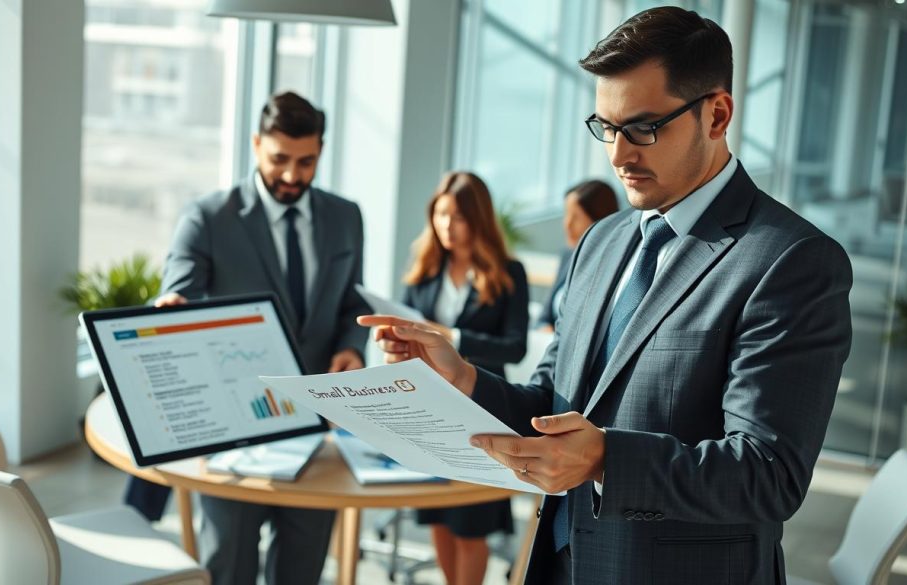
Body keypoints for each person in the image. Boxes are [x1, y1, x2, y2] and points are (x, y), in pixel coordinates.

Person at [361, 6, 852, 585]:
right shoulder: (603, 240)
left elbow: (767, 474)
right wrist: (464, 378)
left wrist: (603, 459)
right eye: (607, 128)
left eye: (644, 127)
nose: (619, 155)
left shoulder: (790, 261)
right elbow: (553, 403)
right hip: (564, 559)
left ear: (716, 115)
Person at [132, 91, 369, 585]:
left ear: (321, 150)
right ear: (257, 144)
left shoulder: (346, 216)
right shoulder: (207, 217)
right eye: (279, 159)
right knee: (230, 566)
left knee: (302, 569)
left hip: (319, 422)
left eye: (305, 161)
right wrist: (170, 314)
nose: (291, 175)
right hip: (235, 428)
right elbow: (178, 294)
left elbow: (352, 300)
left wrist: (351, 345)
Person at [402, 171, 529, 585]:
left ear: (477, 220)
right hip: (430, 409)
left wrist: (451, 337)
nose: (446, 226)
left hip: (481, 409)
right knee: (438, 517)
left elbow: (515, 347)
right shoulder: (424, 272)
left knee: (470, 523)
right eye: (439, 215)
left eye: (456, 216)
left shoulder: (508, 272)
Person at [537, 180, 619, 332]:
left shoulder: (616, 266)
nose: (567, 224)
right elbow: (543, 318)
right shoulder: (568, 255)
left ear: (600, 220)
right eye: (566, 214)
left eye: (576, 217)